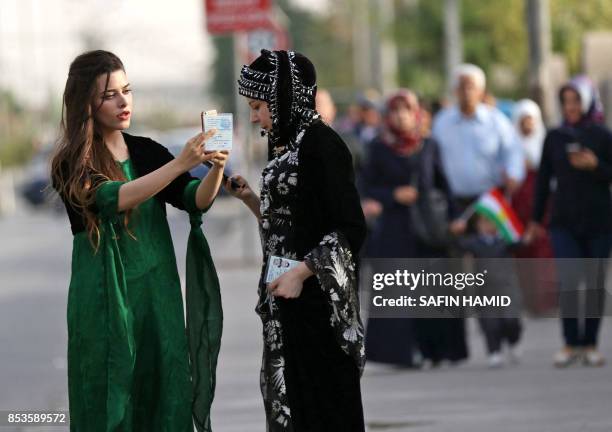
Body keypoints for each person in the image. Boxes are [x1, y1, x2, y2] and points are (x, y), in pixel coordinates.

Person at [50, 50, 227, 431]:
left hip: (156, 295)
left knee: (164, 392)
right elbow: (110, 198)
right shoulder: (72, 161)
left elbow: (194, 199)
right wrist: (180, 163)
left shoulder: (147, 151)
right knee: (109, 397)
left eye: (126, 90)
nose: (123, 101)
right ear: (86, 103)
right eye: (109, 94)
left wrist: (216, 168)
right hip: (105, 300)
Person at [228, 49, 367, 431]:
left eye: (258, 106)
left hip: (317, 305)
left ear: (284, 97)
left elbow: (350, 227)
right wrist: (252, 201)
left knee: (323, 406)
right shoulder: (286, 144)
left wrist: (302, 273)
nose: (255, 116)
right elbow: (292, 224)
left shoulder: (323, 145)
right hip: (287, 301)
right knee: (293, 404)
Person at [360, 89, 467, 368]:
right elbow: (367, 187)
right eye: (394, 110)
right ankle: (404, 353)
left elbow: (443, 185)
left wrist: (455, 217)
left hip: (428, 229)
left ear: (415, 112)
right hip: (396, 229)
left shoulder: (428, 144)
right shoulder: (378, 147)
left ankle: (438, 351)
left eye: (406, 109)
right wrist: (393, 195)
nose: (400, 116)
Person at [526, 76, 612, 367]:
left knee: (594, 283)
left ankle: (590, 343)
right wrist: (536, 219)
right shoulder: (556, 136)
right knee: (569, 280)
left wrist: (596, 166)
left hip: (598, 220)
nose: (571, 107)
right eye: (566, 101)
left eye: (576, 101)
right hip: (563, 221)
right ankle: (569, 342)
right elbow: (543, 181)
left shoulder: (602, 135)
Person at [432, 64, 525, 210]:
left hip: (490, 199)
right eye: (462, 87)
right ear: (455, 91)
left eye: (472, 87)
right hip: (452, 201)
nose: (467, 92)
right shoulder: (442, 122)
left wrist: (513, 174)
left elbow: (513, 152)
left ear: (481, 91)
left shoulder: (496, 121)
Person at [458, 214, 523, 368]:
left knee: (511, 320)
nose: (488, 225)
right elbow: (458, 245)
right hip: (485, 290)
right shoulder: (474, 243)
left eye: (491, 222)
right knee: (490, 323)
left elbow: (521, 243)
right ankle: (494, 351)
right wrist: (458, 230)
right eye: (484, 222)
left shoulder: (505, 241)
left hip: (506, 288)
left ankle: (513, 341)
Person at [510, 99, 556, 315]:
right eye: (523, 121)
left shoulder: (545, 144)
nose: (527, 125)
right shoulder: (510, 146)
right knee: (524, 253)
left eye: (531, 120)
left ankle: (547, 301)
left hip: (542, 207)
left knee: (544, 252)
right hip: (519, 209)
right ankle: (530, 302)